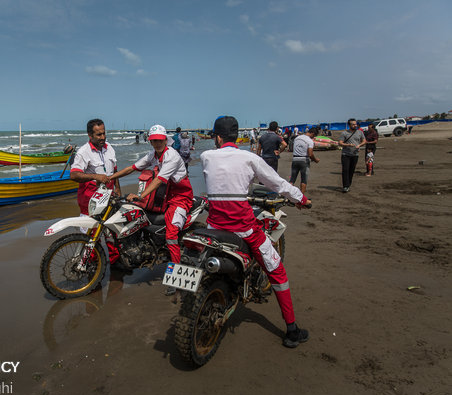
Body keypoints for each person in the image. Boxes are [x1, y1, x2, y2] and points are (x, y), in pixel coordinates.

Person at [200, 115, 311, 348]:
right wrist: (301, 199)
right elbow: (278, 184)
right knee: (277, 271)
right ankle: (291, 329)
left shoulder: (206, 157)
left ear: (217, 137)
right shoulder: (250, 158)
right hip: (243, 229)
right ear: (236, 136)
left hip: (212, 228)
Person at [109, 124, 193, 265]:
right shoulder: (152, 155)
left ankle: (175, 273)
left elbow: (159, 180)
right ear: (150, 141)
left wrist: (140, 195)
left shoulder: (171, 155)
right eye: (154, 141)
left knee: (171, 234)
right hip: (163, 195)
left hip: (180, 198)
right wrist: (109, 178)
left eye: (160, 140)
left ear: (166, 140)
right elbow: (132, 168)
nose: (157, 143)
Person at [70, 119, 122, 265]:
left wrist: (118, 189)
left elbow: (115, 171)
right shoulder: (83, 152)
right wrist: (95, 176)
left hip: (109, 199)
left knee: (112, 233)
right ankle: (90, 267)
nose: (103, 137)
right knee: (91, 236)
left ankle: (116, 263)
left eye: (104, 133)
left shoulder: (109, 148)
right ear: (90, 135)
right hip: (90, 201)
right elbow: (73, 175)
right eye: (98, 135)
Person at [289, 126, 320, 193]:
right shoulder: (309, 141)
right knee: (303, 180)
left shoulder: (297, 138)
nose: (313, 137)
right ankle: (301, 198)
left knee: (292, 179)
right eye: (314, 136)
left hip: (295, 159)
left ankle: (288, 196)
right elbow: (310, 154)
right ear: (313, 133)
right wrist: (315, 160)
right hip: (304, 160)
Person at [338, 118, 366, 193]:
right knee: (345, 170)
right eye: (353, 124)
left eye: (355, 124)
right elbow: (340, 143)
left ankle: (348, 184)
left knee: (351, 170)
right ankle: (345, 186)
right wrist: (348, 145)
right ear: (349, 125)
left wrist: (359, 145)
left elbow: (364, 141)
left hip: (355, 154)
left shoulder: (360, 132)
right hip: (345, 154)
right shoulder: (344, 133)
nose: (355, 125)